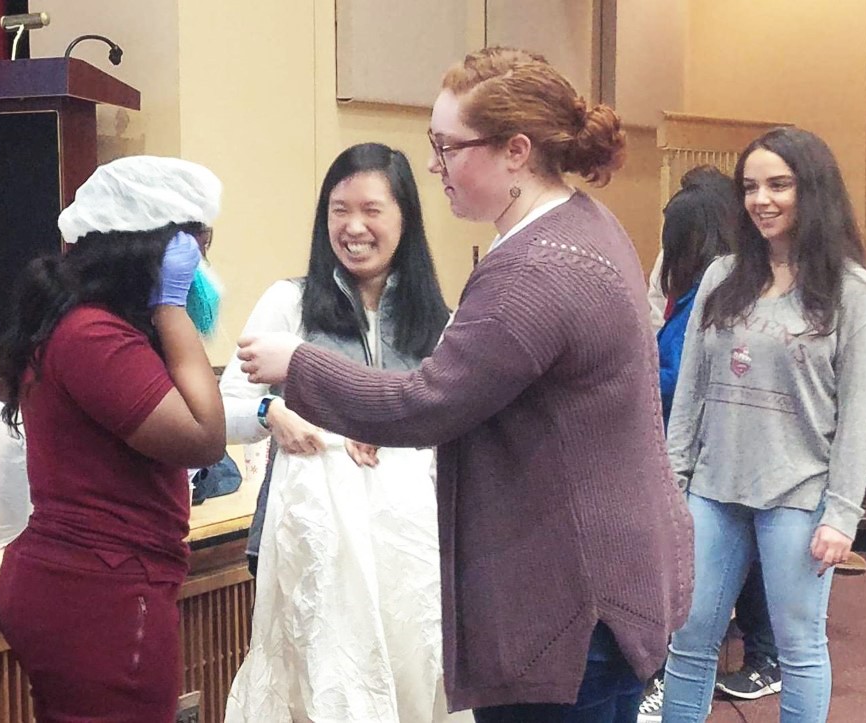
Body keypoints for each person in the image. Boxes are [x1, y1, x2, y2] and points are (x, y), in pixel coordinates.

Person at [237, 47, 693, 723]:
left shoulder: (535, 271)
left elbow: (424, 403)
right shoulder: (583, 224)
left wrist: (296, 365)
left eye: (447, 146)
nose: (433, 165)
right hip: (606, 579)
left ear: (515, 150)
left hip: (569, 606)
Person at [660, 127, 866, 722]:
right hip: (714, 490)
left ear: (812, 191)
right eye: (751, 187)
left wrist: (842, 515)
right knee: (687, 643)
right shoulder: (721, 278)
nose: (761, 199)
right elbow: (690, 394)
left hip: (798, 496)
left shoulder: (853, 294)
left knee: (800, 649)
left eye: (778, 185)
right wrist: (672, 481)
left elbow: (859, 420)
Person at [221, 142, 456, 722]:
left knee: (412, 685)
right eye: (338, 210)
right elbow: (224, 409)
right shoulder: (289, 304)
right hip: (312, 553)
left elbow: (454, 424)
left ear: (405, 217)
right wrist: (271, 415)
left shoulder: (437, 321)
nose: (354, 227)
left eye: (372, 210)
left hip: (409, 559)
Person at [0, 156, 226, 722]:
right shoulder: (94, 335)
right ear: (158, 251)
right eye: (195, 252)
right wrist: (171, 307)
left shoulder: (85, 325)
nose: (202, 268)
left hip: (85, 586)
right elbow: (203, 437)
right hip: (100, 594)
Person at [633, 167, 741, 723]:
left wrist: (631, 370)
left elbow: (680, 377)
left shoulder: (711, 293)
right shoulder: (692, 289)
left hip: (695, 458)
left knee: (681, 589)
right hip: (682, 454)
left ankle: (657, 682)